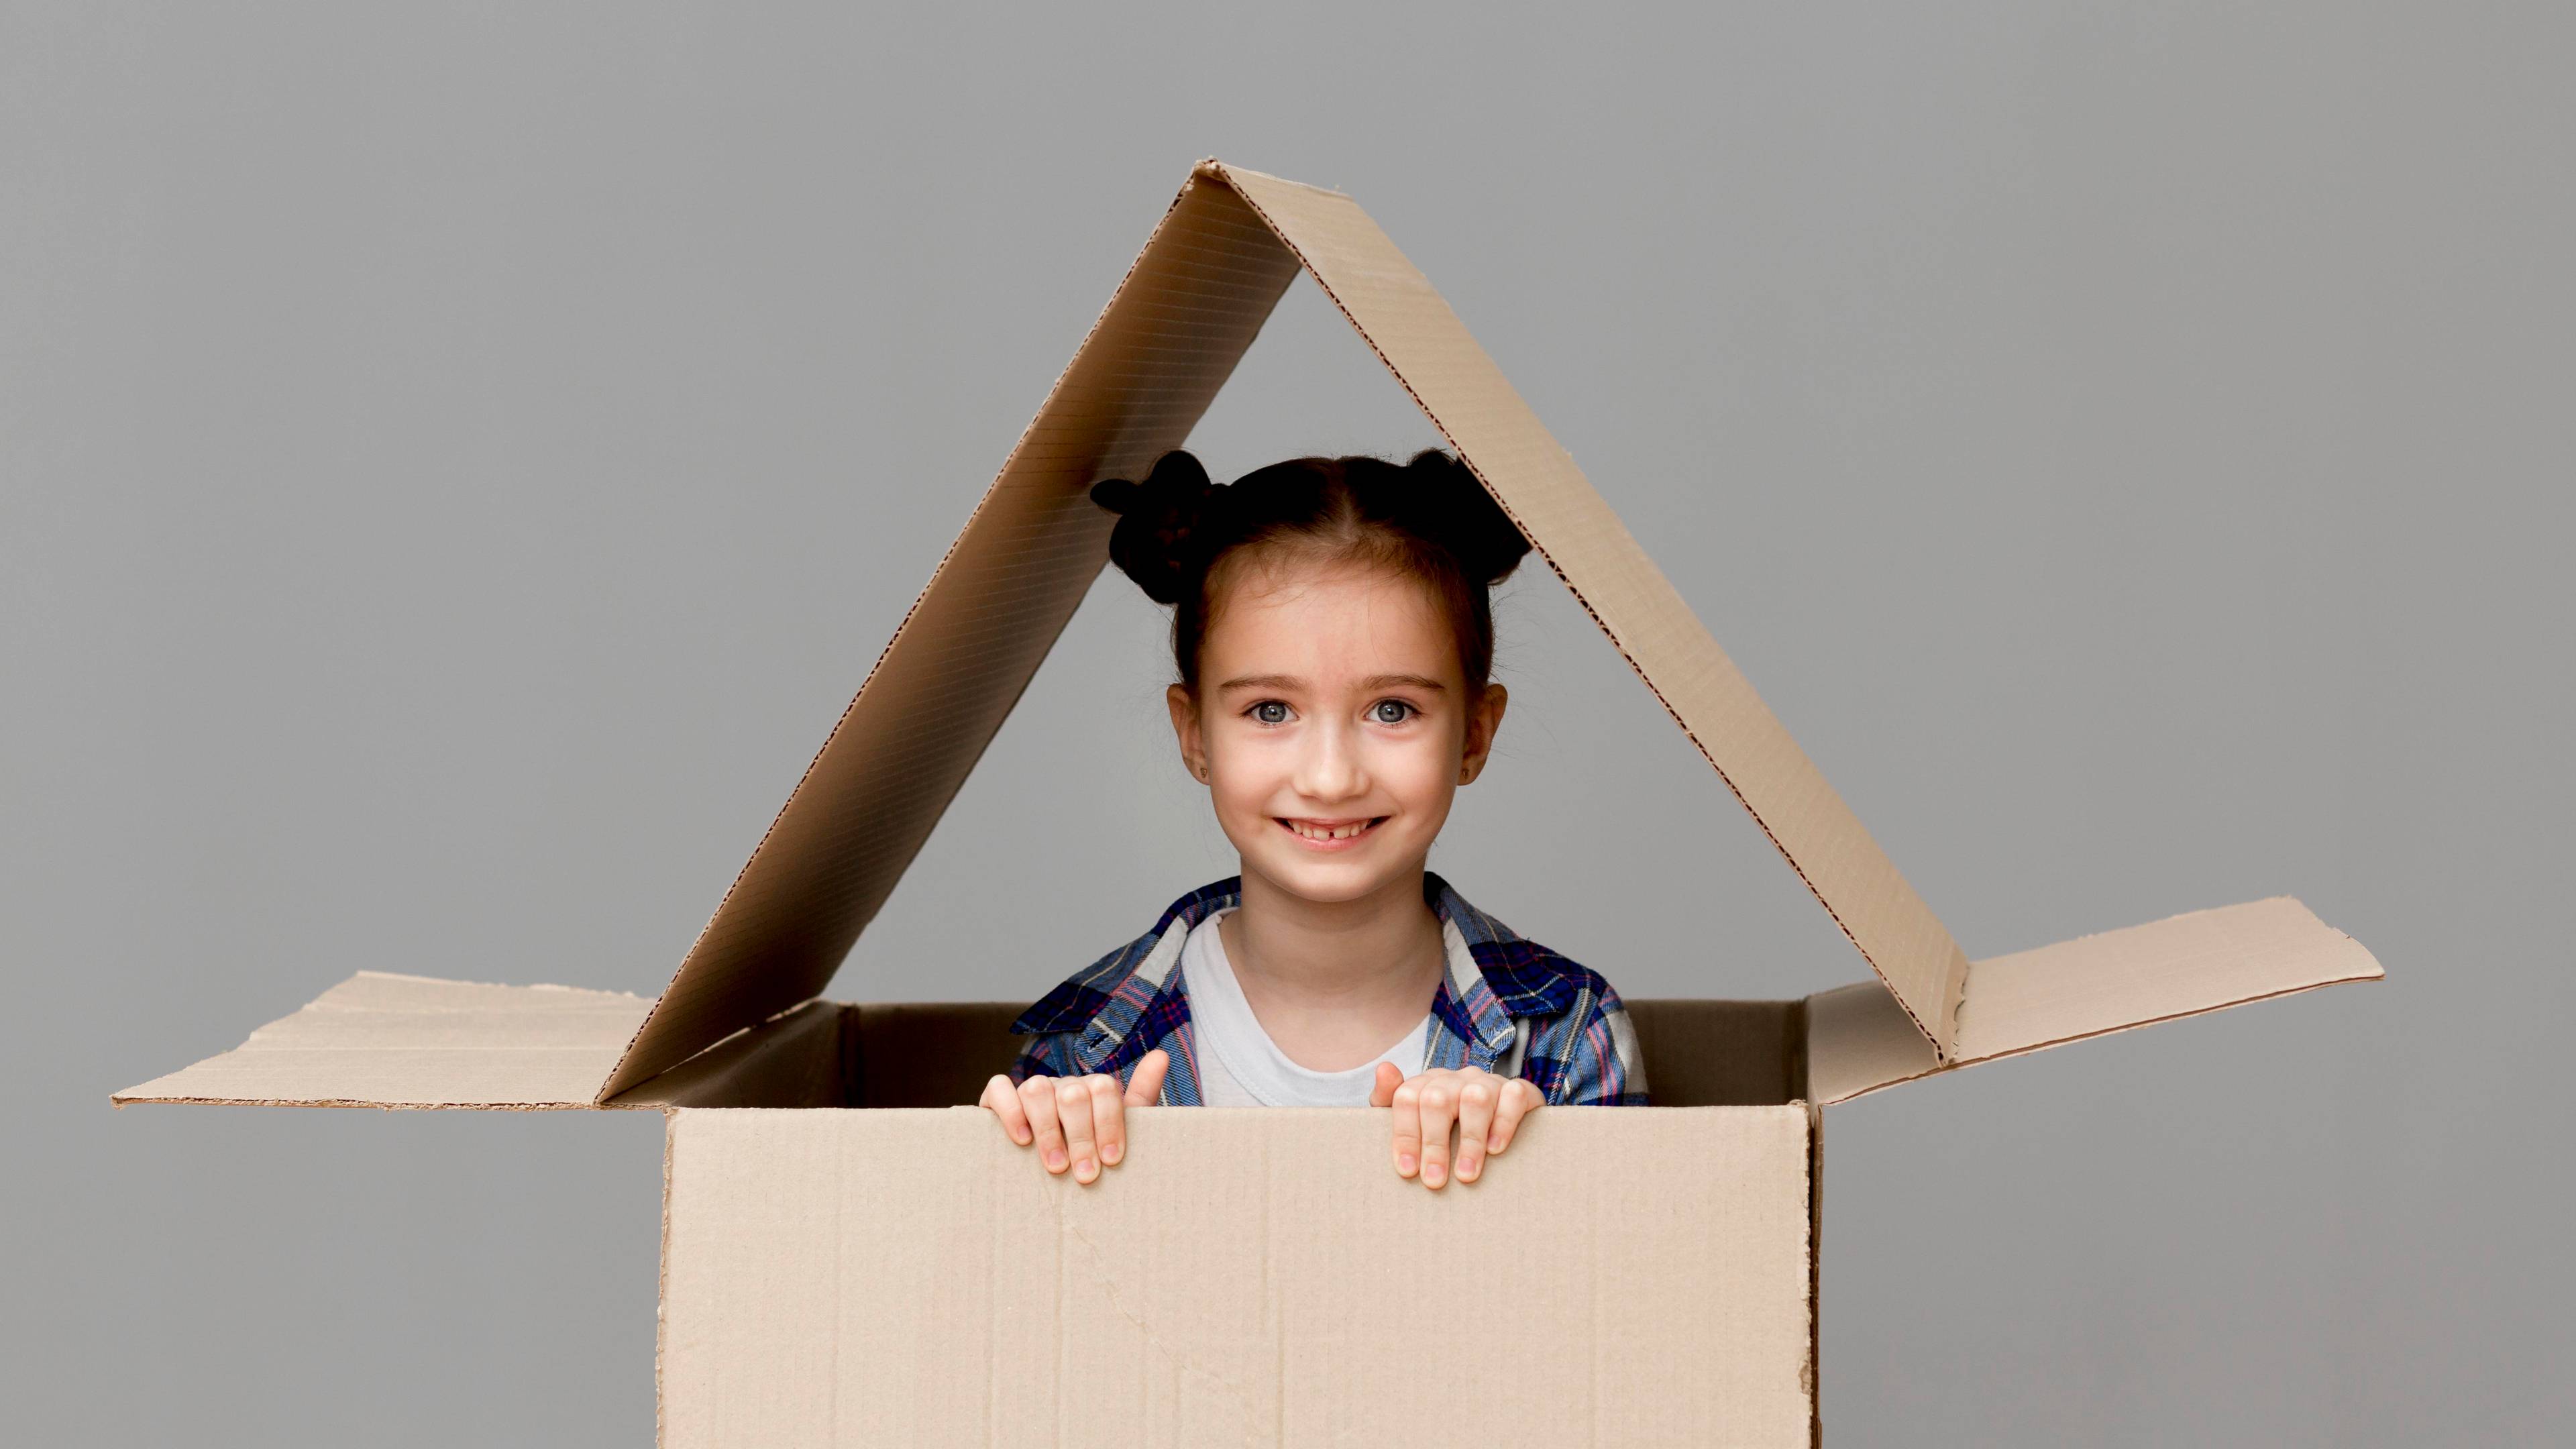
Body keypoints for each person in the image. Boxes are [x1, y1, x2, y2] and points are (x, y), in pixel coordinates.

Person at [979, 447, 1648, 1192]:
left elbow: (1614, 1292)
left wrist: (1520, 1183)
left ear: (1474, 734)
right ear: (1195, 734)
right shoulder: (1084, 1053)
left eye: (1392, 710)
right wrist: (1063, 1194)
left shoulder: (1562, 1034)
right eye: (1271, 711)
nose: (1331, 777)